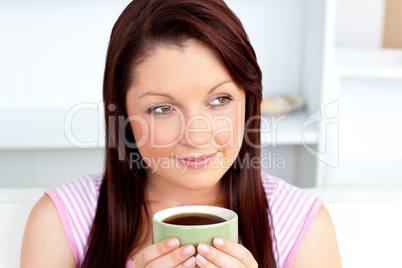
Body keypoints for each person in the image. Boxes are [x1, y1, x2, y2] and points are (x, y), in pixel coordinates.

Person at [20, 0, 342, 267]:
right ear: (123, 115)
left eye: (219, 100)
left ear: (249, 100)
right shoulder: (61, 223)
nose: (197, 136)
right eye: (163, 109)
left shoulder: (303, 226)